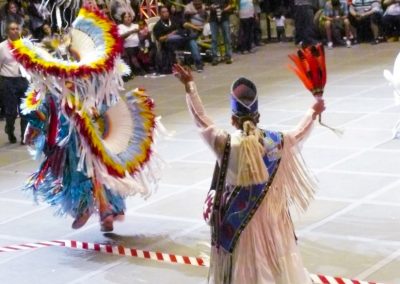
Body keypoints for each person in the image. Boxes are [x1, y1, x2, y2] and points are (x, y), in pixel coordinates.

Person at [174, 63, 325, 283]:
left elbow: (201, 119)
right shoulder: (276, 142)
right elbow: (299, 134)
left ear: (233, 119)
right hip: (273, 220)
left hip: (239, 225)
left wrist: (190, 86)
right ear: (258, 116)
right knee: (275, 267)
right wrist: (313, 110)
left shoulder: (225, 143)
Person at [0, 21, 28, 144]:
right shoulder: (2, 47)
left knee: (25, 111)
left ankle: (24, 136)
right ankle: (9, 130)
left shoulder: (25, 45)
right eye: (12, 29)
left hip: (23, 80)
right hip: (8, 81)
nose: (15, 31)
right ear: (7, 32)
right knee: (11, 112)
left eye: (17, 28)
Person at [153, 6, 203, 73]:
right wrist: (170, 34)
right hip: (169, 44)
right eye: (163, 12)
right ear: (160, 14)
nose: (166, 13)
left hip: (182, 41)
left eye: (167, 11)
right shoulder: (157, 26)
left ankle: (198, 63)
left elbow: (185, 24)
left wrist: (196, 28)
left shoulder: (174, 19)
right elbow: (160, 39)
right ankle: (189, 37)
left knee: (191, 41)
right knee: (176, 38)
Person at [118, 11, 145, 77]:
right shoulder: (120, 26)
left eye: (129, 16)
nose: (128, 18)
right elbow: (121, 37)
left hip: (138, 46)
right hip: (128, 47)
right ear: (122, 19)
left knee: (145, 49)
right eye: (125, 17)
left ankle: (140, 67)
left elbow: (141, 36)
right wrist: (131, 32)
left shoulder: (136, 25)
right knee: (132, 54)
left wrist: (141, 33)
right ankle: (138, 69)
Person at [208, 0, 233, 65]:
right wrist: (211, 7)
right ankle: (215, 57)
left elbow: (230, 5)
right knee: (214, 39)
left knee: (227, 37)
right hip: (213, 18)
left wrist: (224, 9)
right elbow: (205, 5)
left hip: (224, 17)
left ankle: (228, 56)